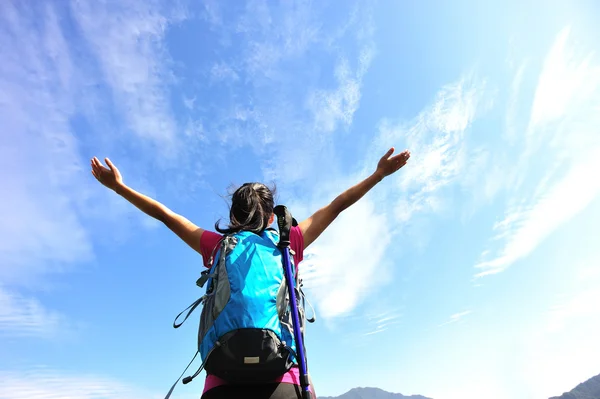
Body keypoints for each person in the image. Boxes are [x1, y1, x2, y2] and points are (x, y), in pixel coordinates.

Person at [90, 147, 411, 399]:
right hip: (283, 378)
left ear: (232, 215)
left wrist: (119, 187)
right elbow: (338, 204)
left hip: (221, 379)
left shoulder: (217, 245)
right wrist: (378, 175)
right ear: (272, 217)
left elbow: (165, 215)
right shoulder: (289, 242)